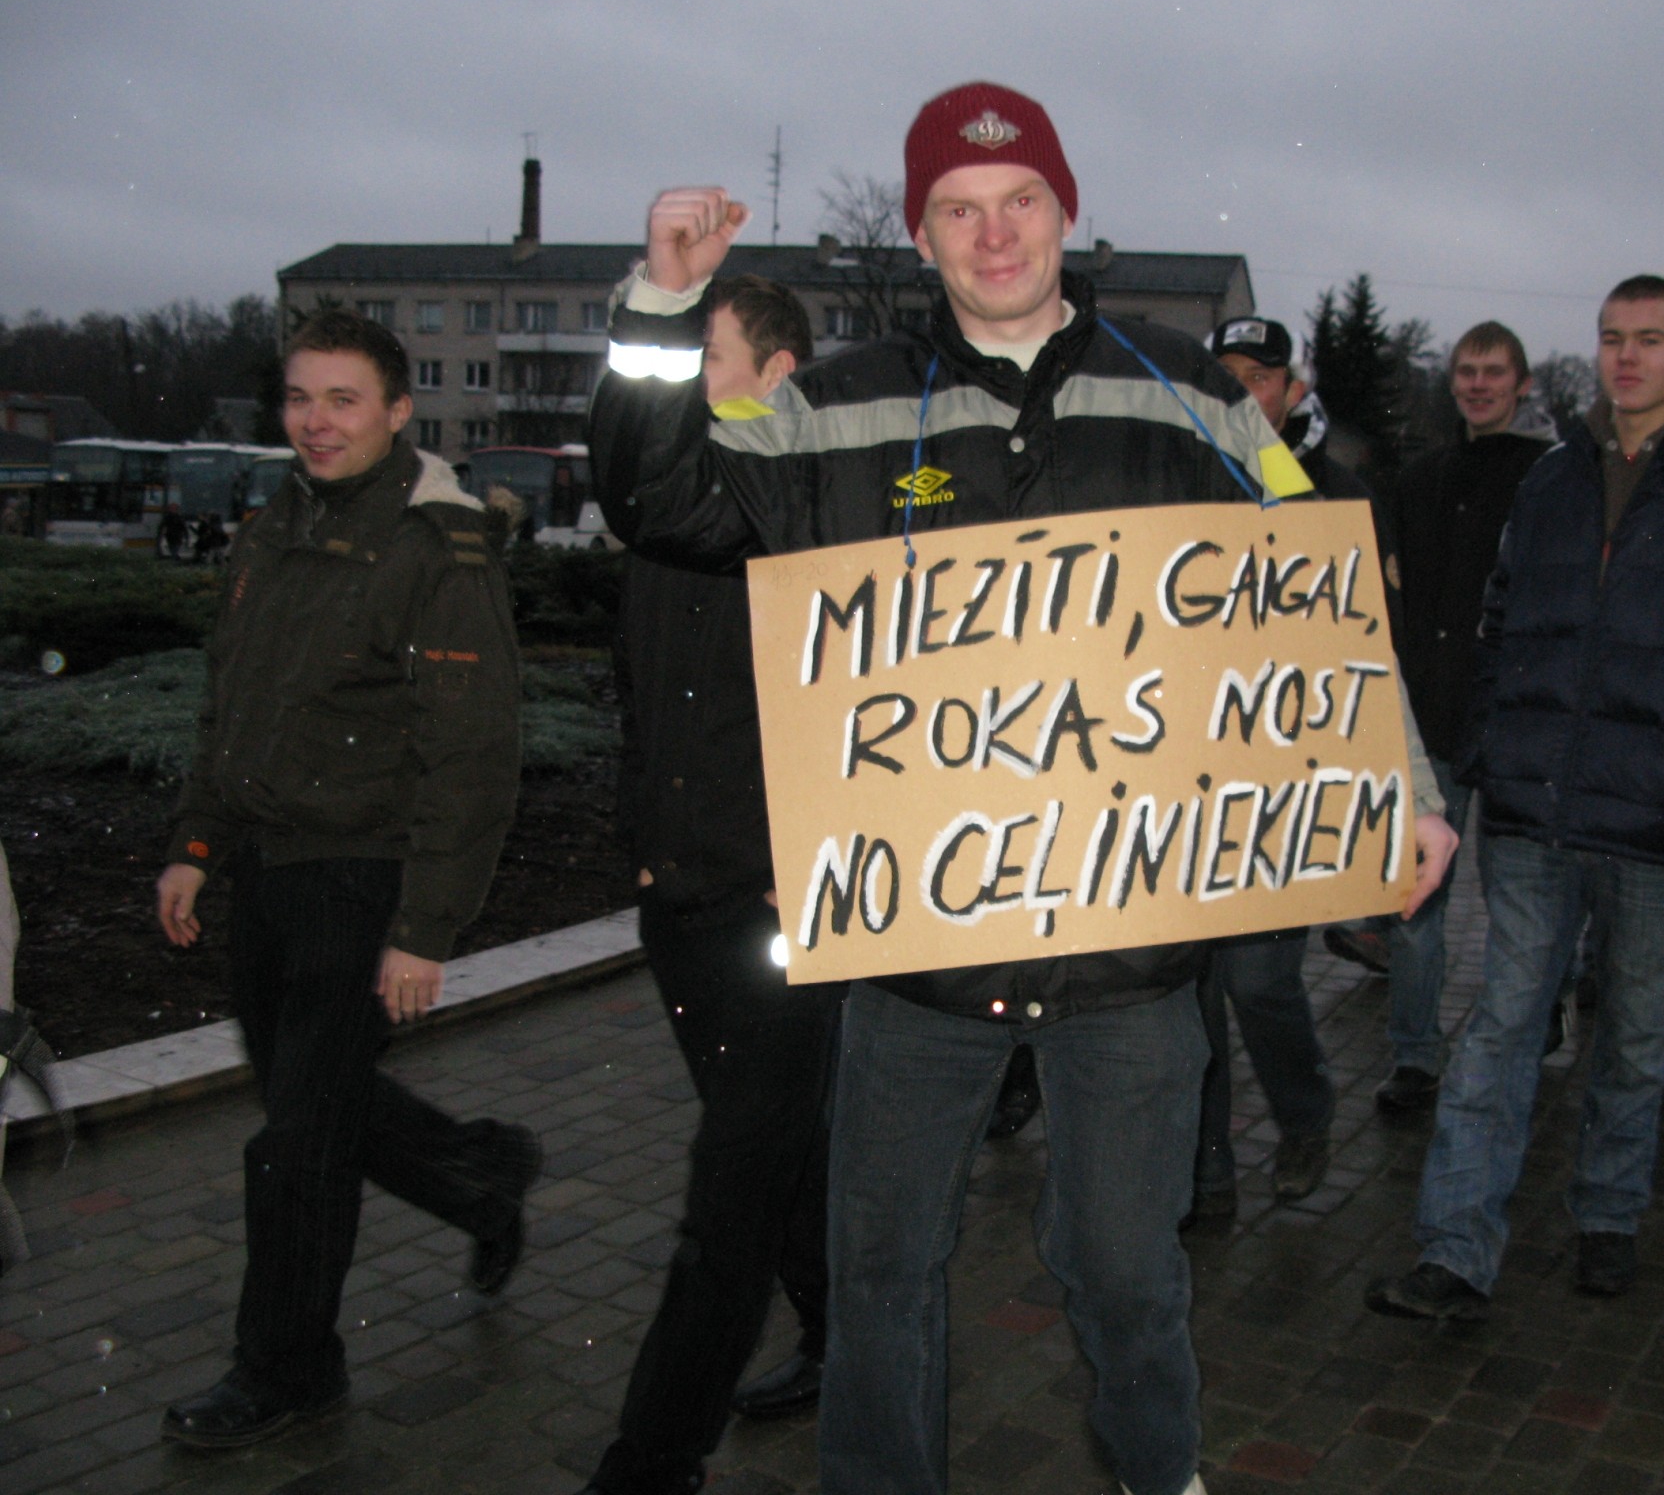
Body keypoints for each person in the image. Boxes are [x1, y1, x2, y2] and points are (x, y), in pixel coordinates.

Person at [588, 81, 1456, 1495]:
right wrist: (657, 316)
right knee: (879, 1277)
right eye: (958, 211)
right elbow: (664, 500)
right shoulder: (836, 409)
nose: (995, 236)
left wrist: (1399, 789)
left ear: (1065, 209)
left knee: (1125, 1280)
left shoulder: (1196, 398)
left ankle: (1154, 1473)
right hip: (916, 967)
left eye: (1021, 203)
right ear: (923, 234)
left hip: (1129, 968)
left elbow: (1320, 607)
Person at [1368, 275, 1664, 1319]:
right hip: (1532, 816)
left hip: (1660, 829)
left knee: (1636, 1033)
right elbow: (1496, 621)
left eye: (1648, 340)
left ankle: (1608, 1211)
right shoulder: (1555, 479)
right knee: (1497, 1029)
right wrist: (1488, 747)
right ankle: (1454, 1251)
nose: (1625, 358)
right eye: (1611, 339)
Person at [155, 310, 532, 1448]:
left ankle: (286, 1369)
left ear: (398, 412)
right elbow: (237, 703)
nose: (315, 424)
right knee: (311, 1102)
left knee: (296, 1144)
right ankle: (476, 1177)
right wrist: (197, 841)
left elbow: (473, 752)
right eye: (300, 400)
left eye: (343, 401)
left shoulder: (435, 548)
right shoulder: (277, 525)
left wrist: (424, 927)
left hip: (360, 879)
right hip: (270, 868)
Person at [586, 275, 842, 1495]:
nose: (688, 384)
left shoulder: (812, 509)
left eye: (709, 357)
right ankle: (847, 1340)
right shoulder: (661, 513)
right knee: (779, 1157)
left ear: (776, 376)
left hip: (780, 913)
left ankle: (656, 1454)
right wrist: (656, 306)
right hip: (677, 899)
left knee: (728, 1192)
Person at [1185, 315, 1372, 1222]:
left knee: (1258, 983)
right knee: (1194, 994)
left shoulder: (1327, 495)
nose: (1241, 392)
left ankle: (1304, 1116)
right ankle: (1206, 1173)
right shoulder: (1172, 480)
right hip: (1182, 776)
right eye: (1224, 376)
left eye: (1259, 377)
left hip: (1280, 781)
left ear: (1290, 392)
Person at [1362, 321, 1556, 1115]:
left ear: (1523, 382)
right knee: (1415, 904)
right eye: (1467, 372)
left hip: (1514, 724)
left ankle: (1529, 1032)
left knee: (1524, 906)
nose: (1479, 385)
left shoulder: (1550, 476)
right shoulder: (1420, 476)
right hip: (1432, 714)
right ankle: (1415, 1056)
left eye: (1495, 372)